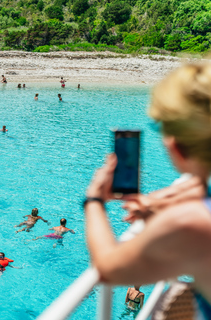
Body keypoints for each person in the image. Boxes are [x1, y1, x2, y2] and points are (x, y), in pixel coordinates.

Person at [84, 64, 211, 318]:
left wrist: (94, 199)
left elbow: (110, 268)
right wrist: (160, 200)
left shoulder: (192, 222)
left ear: (177, 144)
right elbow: (198, 186)